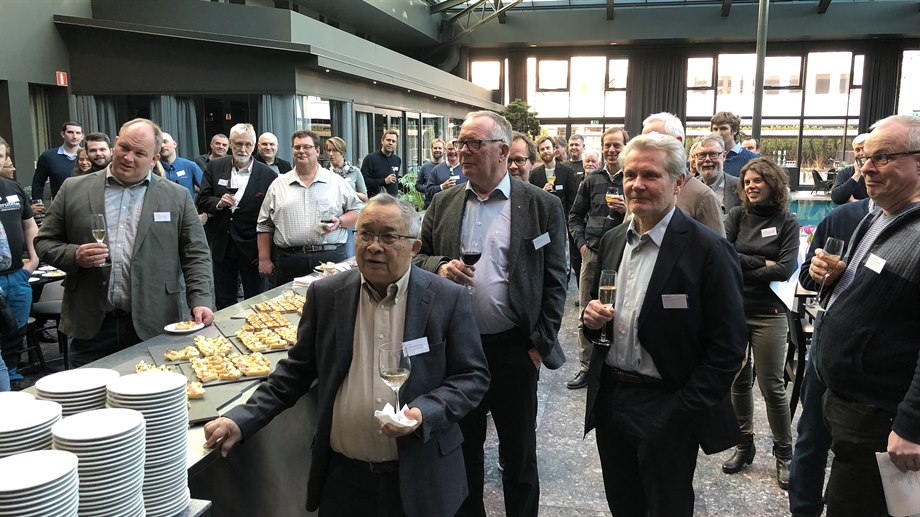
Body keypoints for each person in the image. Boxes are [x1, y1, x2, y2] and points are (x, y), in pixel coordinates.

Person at [202, 194, 490, 517]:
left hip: (420, 477)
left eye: (388, 237)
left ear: (414, 247)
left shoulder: (446, 299)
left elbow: (472, 377)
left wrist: (426, 412)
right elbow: (295, 373)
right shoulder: (327, 295)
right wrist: (241, 419)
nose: (374, 246)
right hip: (344, 481)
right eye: (365, 234)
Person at [582, 132, 747, 517]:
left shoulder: (708, 249)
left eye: (650, 175)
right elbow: (600, 318)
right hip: (613, 400)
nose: (637, 184)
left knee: (666, 506)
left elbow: (728, 348)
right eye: (630, 174)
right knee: (624, 505)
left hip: (668, 402)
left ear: (677, 182)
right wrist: (592, 322)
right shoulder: (612, 241)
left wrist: (681, 412)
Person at [414, 110, 568, 517]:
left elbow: (556, 279)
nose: (463, 150)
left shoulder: (542, 205)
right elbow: (418, 259)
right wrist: (439, 266)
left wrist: (539, 345)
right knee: (463, 453)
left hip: (514, 349)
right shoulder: (444, 202)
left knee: (519, 456)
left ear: (502, 150)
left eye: (473, 143)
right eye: (460, 143)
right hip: (457, 351)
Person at [34, 118, 215, 367]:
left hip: (155, 323)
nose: (128, 158)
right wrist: (74, 255)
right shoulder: (73, 189)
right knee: (89, 391)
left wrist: (201, 300)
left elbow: (196, 254)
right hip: (91, 324)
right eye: (124, 148)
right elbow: (44, 242)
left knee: (153, 390)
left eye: (139, 153)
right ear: (115, 143)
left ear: (154, 159)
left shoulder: (177, 196)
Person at [810, 115, 920, 516]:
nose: (866, 168)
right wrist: (840, 276)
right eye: (865, 158)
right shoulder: (879, 215)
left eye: (883, 157)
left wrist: (912, 424)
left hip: (883, 416)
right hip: (848, 402)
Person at [789, 196, 872, 517]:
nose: (868, 171)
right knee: (810, 441)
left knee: (859, 455)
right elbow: (806, 278)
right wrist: (819, 272)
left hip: (876, 368)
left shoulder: (910, 227)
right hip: (825, 355)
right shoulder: (842, 217)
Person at [722, 158, 799, 489]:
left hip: (771, 312)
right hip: (736, 309)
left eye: (758, 181)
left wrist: (746, 268)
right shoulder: (737, 215)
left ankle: (785, 454)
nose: (751, 186)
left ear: (773, 183)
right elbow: (725, 255)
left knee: (772, 385)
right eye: (747, 181)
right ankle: (744, 445)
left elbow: (785, 269)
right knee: (738, 380)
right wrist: (761, 263)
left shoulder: (787, 220)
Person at [257, 130, 363, 285]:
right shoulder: (278, 185)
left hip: (330, 259)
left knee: (332, 300)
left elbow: (359, 211)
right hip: (290, 260)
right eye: (297, 147)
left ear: (317, 151)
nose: (301, 151)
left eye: (306, 147)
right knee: (289, 300)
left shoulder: (336, 182)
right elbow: (264, 225)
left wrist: (340, 221)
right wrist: (264, 259)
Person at [567, 128, 629, 390]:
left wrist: (626, 210)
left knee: (621, 308)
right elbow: (575, 215)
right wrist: (582, 245)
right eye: (608, 145)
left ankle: (615, 363)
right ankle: (586, 367)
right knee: (587, 310)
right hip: (592, 253)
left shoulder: (631, 177)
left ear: (625, 147)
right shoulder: (591, 180)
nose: (612, 150)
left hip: (624, 252)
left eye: (617, 145)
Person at [197, 123, 277, 310]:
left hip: (253, 249)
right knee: (224, 301)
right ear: (231, 144)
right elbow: (202, 200)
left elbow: (273, 217)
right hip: (222, 246)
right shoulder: (215, 166)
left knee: (256, 301)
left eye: (248, 144)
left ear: (254, 145)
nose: (243, 149)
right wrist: (218, 203)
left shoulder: (268, 175)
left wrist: (267, 255)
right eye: (238, 144)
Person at [643, 112, 725, 236]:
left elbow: (717, 246)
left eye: (653, 141)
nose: (644, 148)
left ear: (677, 142)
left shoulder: (703, 197)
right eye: (642, 141)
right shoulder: (638, 187)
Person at [0, 137, 39, 390]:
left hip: (17, 274)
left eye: (0, 155)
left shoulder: (13, 189)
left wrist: (34, 259)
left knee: (16, 329)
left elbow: (29, 225)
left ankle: (11, 375)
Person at [325, 136, 368, 257]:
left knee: (350, 255)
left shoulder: (354, 171)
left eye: (335, 150)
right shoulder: (324, 173)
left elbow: (365, 197)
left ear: (342, 152)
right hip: (332, 219)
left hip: (350, 219)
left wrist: (348, 192)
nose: (331, 154)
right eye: (329, 150)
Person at [32, 120, 84, 200]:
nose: (74, 136)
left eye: (78, 133)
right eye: (70, 132)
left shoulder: (89, 156)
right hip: (60, 205)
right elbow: (38, 183)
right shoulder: (48, 157)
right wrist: (37, 202)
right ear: (63, 134)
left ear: (82, 136)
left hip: (86, 203)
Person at [694, 133, 741, 216]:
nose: (707, 159)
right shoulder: (688, 187)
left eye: (713, 154)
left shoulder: (740, 187)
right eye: (702, 155)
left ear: (724, 156)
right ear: (695, 158)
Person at [711, 111, 759, 177]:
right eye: (715, 129)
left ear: (735, 130)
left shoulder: (752, 159)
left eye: (723, 128)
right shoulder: (707, 158)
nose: (718, 133)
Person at [160, 132, 204, 199]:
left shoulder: (190, 166)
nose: (162, 145)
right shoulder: (153, 169)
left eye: (165, 142)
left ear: (174, 144)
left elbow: (207, 190)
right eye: (159, 143)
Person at [424, 139, 465, 209]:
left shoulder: (466, 169)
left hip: (462, 209)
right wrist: (442, 187)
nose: (453, 151)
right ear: (445, 150)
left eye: (455, 149)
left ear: (459, 150)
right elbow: (428, 191)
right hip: (442, 210)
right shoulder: (436, 170)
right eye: (450, 149)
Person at [829, 133, 870, 205]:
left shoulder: (881, 171)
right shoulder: (845, 173)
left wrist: (854, 201)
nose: (861, 153)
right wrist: (857, 174)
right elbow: (836, 198)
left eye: (864, 148)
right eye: (857, 150)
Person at [362, 129, 401, 197]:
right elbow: (364, 181)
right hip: (376, 199)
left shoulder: (397, 160)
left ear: (396, 144)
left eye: (393, 141)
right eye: (388, 140)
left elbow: (395, 180)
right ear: (382, 141)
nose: (390, 143)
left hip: (392, 199)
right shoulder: (370, 158)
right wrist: (384, 181)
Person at [416, 139, 445, 203]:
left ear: (444, 150)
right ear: (431, 150)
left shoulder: (448, 167)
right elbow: (417, 185)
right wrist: (429, 189)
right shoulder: (425, 167)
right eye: (435, 148)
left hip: (444, 203)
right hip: (429, 204)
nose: (437, 150)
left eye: (440, 148)